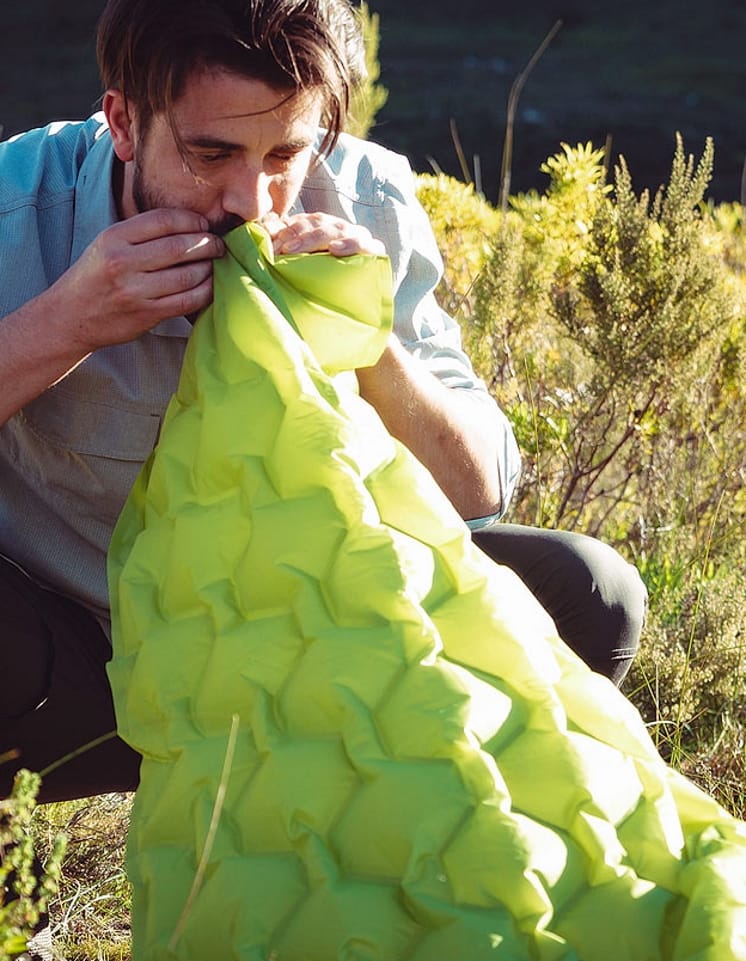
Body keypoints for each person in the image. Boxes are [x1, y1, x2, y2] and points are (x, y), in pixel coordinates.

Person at [0, 0, 646, 808]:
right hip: (80, 664)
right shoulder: (16, 207)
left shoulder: (369, 199)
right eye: (211, 153)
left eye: (286, 155)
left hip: (320, 645)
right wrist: (66, 321)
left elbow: (480, 489)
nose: (252, 201)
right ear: (124, 123)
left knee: (592, 592)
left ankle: (406, 864)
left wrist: (369, 338)